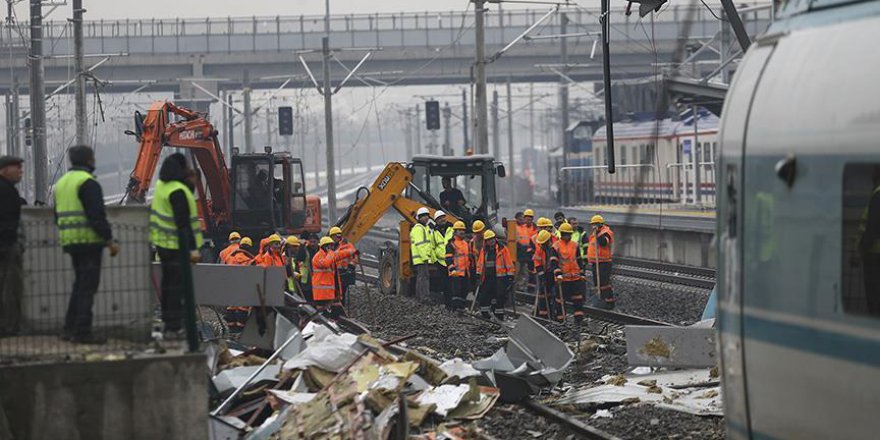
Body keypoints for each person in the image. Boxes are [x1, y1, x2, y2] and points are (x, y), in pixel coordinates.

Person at [54, 146, 120, 343]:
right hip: (89, 242)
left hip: (71, 241)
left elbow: (57, 215)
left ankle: (69, 328)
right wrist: (109, 240)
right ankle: (83, 332)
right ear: (89, 160)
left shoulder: (62, 183)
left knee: (79, 286)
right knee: (87, 288)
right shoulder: (88, 183)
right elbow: (96, 216)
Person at [150, 153, 203, 339]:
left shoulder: (161, 186)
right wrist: (193, 248)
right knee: (177, 288)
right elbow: (183, 223)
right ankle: (175, 326)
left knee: (168, 285)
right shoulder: (178, 191)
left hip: (162, 244)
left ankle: (170, 322)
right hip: (176, 246)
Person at [0, 156, 25, 337]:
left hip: (6, 244)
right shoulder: (5, 191)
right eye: (16, 167)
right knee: (11, 287)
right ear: (4, 170)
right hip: (6, 246)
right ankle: (10, 327)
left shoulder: (8, 190)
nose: (20, 170)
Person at [311, 235, 357, 318]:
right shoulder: (317, 257)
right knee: (322, 313)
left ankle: (334, 323)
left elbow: (340, 254)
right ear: (325, 246)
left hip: (328, 291)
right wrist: (331, 253)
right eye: (330, 245)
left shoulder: (330, 255)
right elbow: (326, 263)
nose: (332, 247)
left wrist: (352, 251)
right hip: (321, 292)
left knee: (336, 310)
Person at [475, 229, 514, 320]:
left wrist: (510, 275)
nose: (491, 241)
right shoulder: (484, 250)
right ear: (486, 241)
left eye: (492, 239)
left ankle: (499, 317)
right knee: (485, 295)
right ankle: (485, 315)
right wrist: (478, 273)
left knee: (499, 297)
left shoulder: (502, 249)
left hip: (500, 277)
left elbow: (508, 262)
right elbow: (480, 263)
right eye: (489, 239)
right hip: (488, 277)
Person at [551, 222, 586, 323]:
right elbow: (554, 262)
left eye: (570, 234)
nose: (569, 236)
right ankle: (561, 322)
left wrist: (582, 273)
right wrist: (558, 274)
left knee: (578, 299)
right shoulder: (556, 246)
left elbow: (579, 260)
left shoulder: (574, 245)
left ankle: (579, 321)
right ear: (562, 234)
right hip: (563, 279)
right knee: (560, 301)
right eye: (566, 234)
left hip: (575, 278)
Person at [585, 215, 615, 310]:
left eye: (594, 224)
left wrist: (598, 232)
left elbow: (603, 243)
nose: (592, 227)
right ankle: (601, 301)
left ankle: (609, 302)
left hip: (604, 262)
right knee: (597, 283)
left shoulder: (606, 232)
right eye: (592, 225)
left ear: (599, 224)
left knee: (604, 283)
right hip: (596, 262)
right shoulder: (594, 234)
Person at [532, 230, 557, 320]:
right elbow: (537, 263)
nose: (541, 245)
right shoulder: (539, 250)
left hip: (552, 273)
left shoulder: (554, 248)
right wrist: (542, 276)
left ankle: (553, 313)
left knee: (554, 294)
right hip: (543, 273)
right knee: (543, 294)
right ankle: (543, 315)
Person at [329, 226, 357, 307]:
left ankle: (340, 307)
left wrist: (351, 266)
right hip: (336, 272)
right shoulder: (332, 246)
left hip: (345, 272)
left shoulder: (347, 245)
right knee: (336, 292)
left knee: (341, 292)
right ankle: (337, 307)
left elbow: (355, 256)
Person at [411, 207, 435, 303]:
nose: (426, 218)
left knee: (423, 277)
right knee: (423, 278)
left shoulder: (425, 228)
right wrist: (425, 257)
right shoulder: (418, 229)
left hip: (423, 258)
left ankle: (421, 297)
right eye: (423, 216)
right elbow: (420, 245)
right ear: (419, 218)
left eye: (427, 216)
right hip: (421, 258)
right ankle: (423, 297)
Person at [445, 221, 470, 310]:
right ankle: (455, 309)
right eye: (460, 230)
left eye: (463, 230)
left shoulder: (466, 243)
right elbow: (448, 258)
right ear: (455, 231)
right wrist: (452, 269)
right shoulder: (451, 244)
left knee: (464, 291)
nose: (462, 232)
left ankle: (461, 309)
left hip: (465, 273)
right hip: (456, 273)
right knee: (456, 293)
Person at [515, 209, 538, 290]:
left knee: (526, 272)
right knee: (517, 271)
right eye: (526, 218)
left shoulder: (534, 228)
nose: (527, 220)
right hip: (518, 252)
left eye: (529, 218)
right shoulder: (519, 227)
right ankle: (517, 287)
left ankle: (524, 287)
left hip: (529, 253)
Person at [431, 210, 450, 301]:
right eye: (439, 218)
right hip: (441, 262)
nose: (442, 219)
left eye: (443, 217)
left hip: (452, 261)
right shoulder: (434, 233)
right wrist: (435, 261)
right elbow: (432, 247)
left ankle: (453, 301)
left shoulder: (452, 229)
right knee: (445, 283)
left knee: (453, 282)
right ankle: (446, 301)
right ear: (436, 221)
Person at [468, 220, 486, 293]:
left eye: (479, 232)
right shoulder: (472, 242)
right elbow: (470, 256)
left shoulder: (487, 240)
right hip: (476, 267)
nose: (478, 234)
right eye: (476, 233)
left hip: (487, 267)